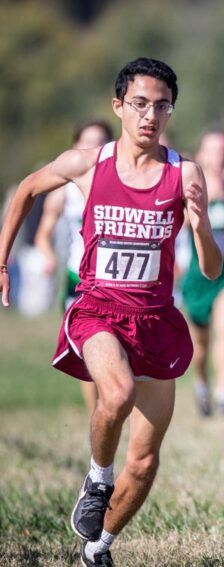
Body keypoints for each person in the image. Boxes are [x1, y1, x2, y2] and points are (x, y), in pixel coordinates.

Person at [0, 57, 222, 566]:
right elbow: (28, 189)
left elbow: (210, 270)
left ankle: (99, 547)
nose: (150, 115)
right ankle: (98, 477)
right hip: (97, 308)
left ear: (171, 110)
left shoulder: (184, 172)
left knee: (143, 463)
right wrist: (3, 260)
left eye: (161, 106)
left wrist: (201, 223)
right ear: (118, 105)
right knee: (116, 393)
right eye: (140, 104)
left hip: (156, 318)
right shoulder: (87, 163)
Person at [34, 119, 114, 415]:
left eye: (101, 142)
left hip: (112, 282)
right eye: (87, 141)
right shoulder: (62, 192)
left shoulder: (120, 184)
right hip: (76, 279)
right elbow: (43, 233)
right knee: (87, 354)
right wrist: (47, 256)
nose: (92, 148)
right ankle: (97, 412)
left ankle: (110, 406)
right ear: (74, 147)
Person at [182, 128, 224, 416]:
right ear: (200, 155)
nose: (218, 156)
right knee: (201, 345)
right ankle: (202, 386)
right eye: (212, 150)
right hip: (198, 275)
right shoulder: (189, 192)